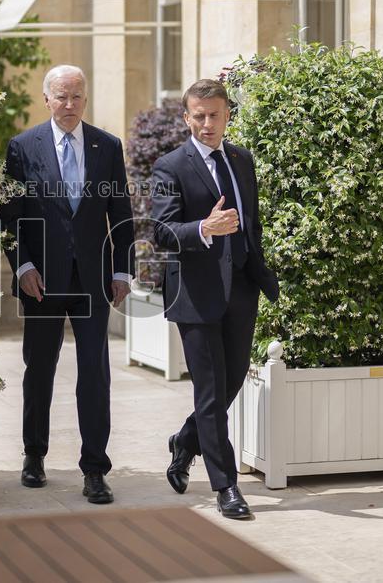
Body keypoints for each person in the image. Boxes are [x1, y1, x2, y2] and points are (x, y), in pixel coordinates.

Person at [0, 64, 135, 504]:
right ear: (47, 99)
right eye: (61, 96)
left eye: (77, 96)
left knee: (95, 374)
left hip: (93, 280)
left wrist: (120, 270)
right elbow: (9, 218)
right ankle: (34, 455)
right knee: (40, 370)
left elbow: (122, 212)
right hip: (42, 280)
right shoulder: (22, 147)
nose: (69, 104)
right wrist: (22, 267)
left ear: (86, 99)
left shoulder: (107, 146)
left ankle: (95, 469)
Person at [150, 78, 279, 519]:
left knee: (232, 380)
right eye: (199, 116)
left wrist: (260, 270)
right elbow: (161, 231)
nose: (207, 124)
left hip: (241, 286)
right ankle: (226, 487)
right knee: (209, 391)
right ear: (187, 118)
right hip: (196, 292)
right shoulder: (171, 165)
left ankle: (185, 441)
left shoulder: (243, 160)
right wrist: (204, 228)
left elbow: (253, 223)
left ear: (228, 115)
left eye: (215, 114)